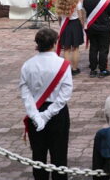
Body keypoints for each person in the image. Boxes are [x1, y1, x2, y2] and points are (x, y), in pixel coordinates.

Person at [20, 28, 73, 180]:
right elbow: (65, 94)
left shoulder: (27, 65)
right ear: (55, 43)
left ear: (37, 44)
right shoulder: (63, 64)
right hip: (58, 112)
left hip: (36, 110)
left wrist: (36, 116)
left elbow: (25, 93)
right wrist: (48, 113)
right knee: (59, 154)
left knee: (38, 155)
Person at [82, 0, 110, 78]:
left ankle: (93, 69)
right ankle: (103, 69)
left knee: (93, 48)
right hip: (104, 27)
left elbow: (85, 10)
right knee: (103, 49)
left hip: (92, 26)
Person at [54, 0, 85, 76]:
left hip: (65, 26)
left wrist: (61, 25)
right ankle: (74, 68)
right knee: (75, 48)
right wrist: (82, 25)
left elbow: (59, 17)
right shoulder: (77, 3)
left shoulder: (60, 2)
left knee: (66, 49)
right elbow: (80, 16)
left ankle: (67, 69)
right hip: (75, 25)